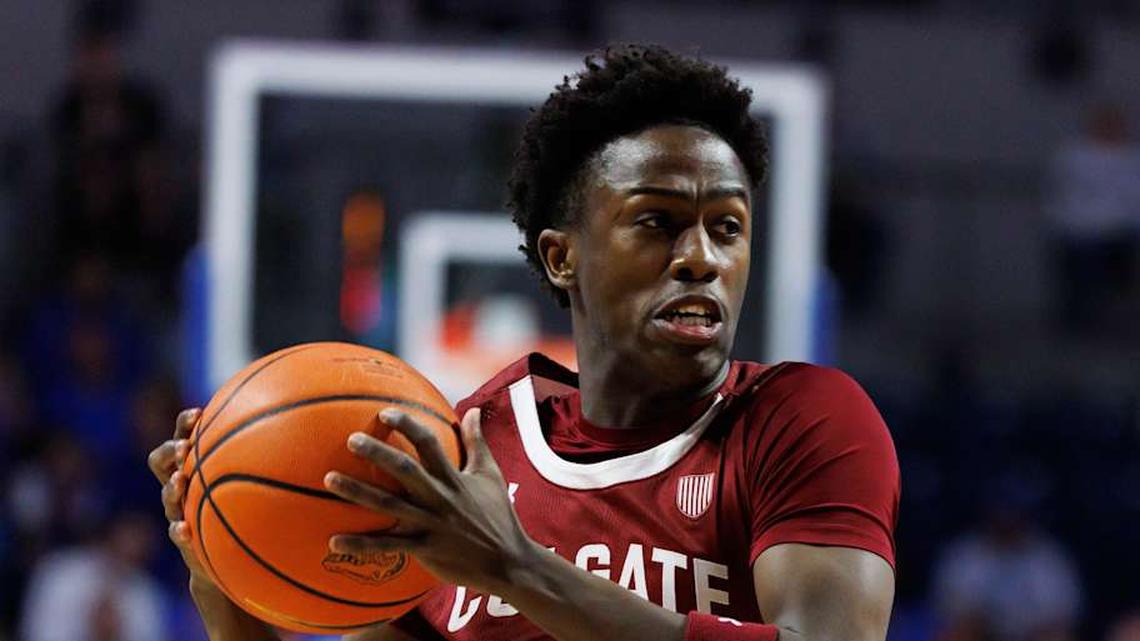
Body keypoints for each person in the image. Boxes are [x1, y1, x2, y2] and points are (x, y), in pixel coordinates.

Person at [148, 44, 899, 641]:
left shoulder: (800, 420)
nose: (702, 257)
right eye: (657, 221)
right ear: (561, 256)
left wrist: (515, 567)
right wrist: (225, 575)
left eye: (727, 227)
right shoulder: (473, 445)